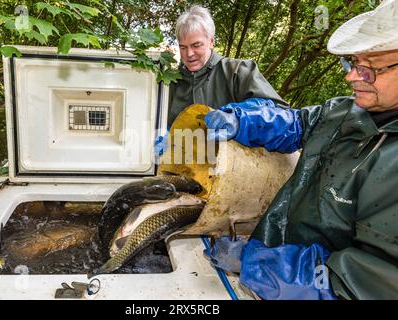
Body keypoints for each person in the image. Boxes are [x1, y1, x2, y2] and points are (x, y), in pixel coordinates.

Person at [204, 0, 398, 300]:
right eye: (352, 63)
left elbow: (362, 283)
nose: (351, 77)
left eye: (369, 69)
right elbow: (294, 124)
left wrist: (255, 264)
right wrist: (241, 120)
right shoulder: (344, 111)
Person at [155, 5, 287, 155]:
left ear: (211, 41)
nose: (189, 54)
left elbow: (281, 113)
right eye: (183, 47)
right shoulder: (169, 83)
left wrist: (239, 119)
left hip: (235, 171)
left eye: (196, 45)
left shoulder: (238, 71)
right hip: (182, 170)